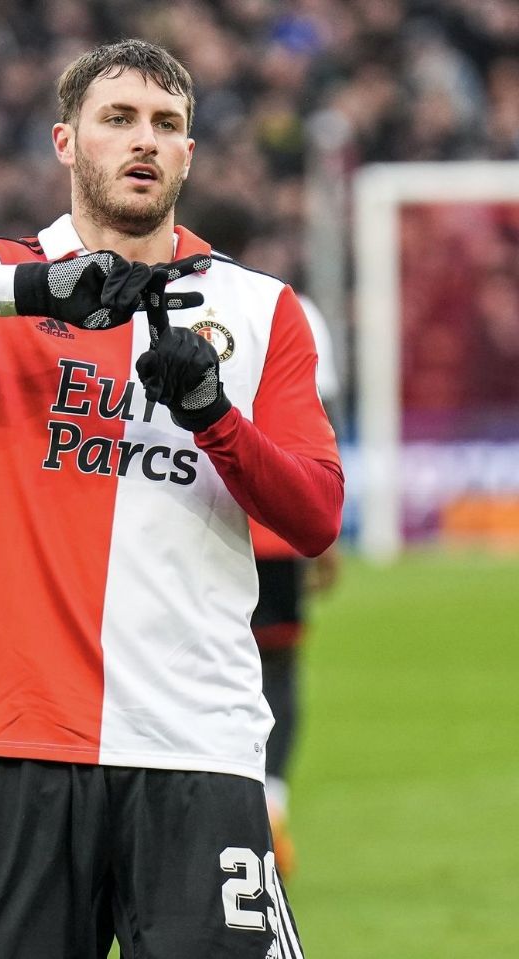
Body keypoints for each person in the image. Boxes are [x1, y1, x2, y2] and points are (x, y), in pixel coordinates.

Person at [0, 39, 343, 959]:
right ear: (66, 141)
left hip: (197, 748)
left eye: (167, 125)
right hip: (26, 744)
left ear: (189, 154)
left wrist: (215, 412)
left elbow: (316, 514)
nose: (144, 140)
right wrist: (23, 291)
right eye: (119, 119)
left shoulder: (259, 309)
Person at [249, 293, 343, 880]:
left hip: (205, 523)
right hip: (278, 526)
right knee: (277, 671)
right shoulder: (294, 306)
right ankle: (269, 802)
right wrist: (325, 540)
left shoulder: (163, 295)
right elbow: (320, 422)